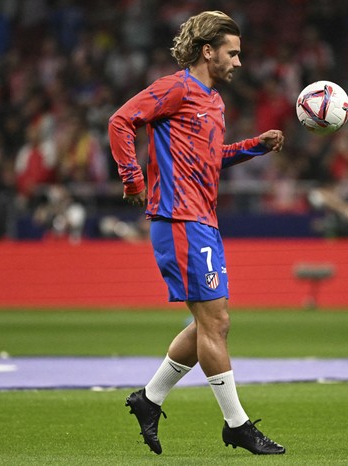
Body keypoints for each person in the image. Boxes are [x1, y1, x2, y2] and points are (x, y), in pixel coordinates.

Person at [107, 11, 285, 455]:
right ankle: (236, 424)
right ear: (208, 51)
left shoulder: (213, 100)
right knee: (216, 322)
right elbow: (120, 121)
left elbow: (209, 157)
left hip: (203, 220)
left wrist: (252, 147)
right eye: (233, 53)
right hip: (179, 220)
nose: (239, 62)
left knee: (209, 323)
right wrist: (132, 176)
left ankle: (149, 399)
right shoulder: (176, 88)